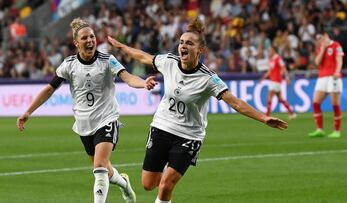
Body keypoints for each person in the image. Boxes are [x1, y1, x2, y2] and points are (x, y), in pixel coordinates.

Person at [107, 18, 288, 203]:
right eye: (181, 42)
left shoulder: (209, 79)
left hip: (189, 136)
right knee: (148, 184)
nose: (183, 46)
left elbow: (235, 102)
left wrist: (263, 118)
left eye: (189, 43)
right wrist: (122, 47)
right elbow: (144, 57)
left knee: (166, 185)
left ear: (200, 50)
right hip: (161, 127)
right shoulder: (168, 62)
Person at [16, 18, 157, 203]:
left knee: (99, 168)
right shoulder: (69, 64)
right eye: (85, 38)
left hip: (107, 119)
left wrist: (143, 83)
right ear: (76, 43)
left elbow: (128, 77)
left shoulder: (108, 60)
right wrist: (28, 111)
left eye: (92, 36)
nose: (90, 40)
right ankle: (124, 183)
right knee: (104, 168)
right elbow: (50, 89)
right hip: (84, 124)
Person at [308, 31, 344, 138]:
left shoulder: (336, 45)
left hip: (333, 77)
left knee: (335, 104)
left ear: (326, 35)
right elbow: (317, 62)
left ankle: (337, 131)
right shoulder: (320, 48)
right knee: (315, 103)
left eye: (320, 38)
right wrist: (323, 48)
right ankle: (320, 129)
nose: (318, 40)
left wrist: (337, 71)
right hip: (322, 77)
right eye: (317, 39)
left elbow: (339, 60)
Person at [259, 46, 297, 119]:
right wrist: (263, 78)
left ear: (274, 50)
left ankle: (267, 115)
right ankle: (291, 113)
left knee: (269, 97)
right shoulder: (271, 59)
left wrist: (287, 77)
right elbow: (270, 71)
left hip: (276, 80)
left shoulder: (278, 58)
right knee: (280, 99)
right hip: (273, 81)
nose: (269, 52)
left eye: (270, 50)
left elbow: (283, 67)